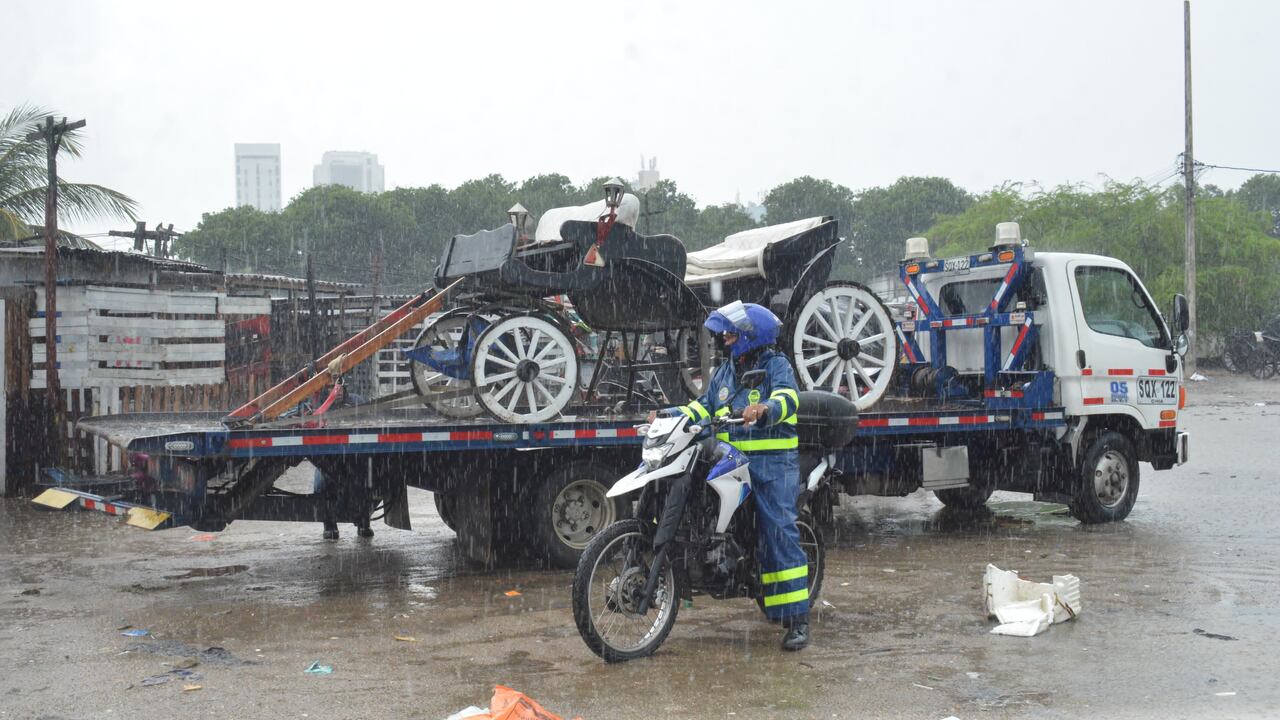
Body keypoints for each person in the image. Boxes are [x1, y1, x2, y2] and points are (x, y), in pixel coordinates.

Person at [650, 300, 811, 651]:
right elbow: (702, 406)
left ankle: (797, 619)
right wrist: (666, 413)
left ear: (750, 336)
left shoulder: (775, 365)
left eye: (730, 333)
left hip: (771, 464)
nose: (723, 338)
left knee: (777, 531)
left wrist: (765, 408)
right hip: (731, 459)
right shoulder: (725, 373)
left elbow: (789, 399)